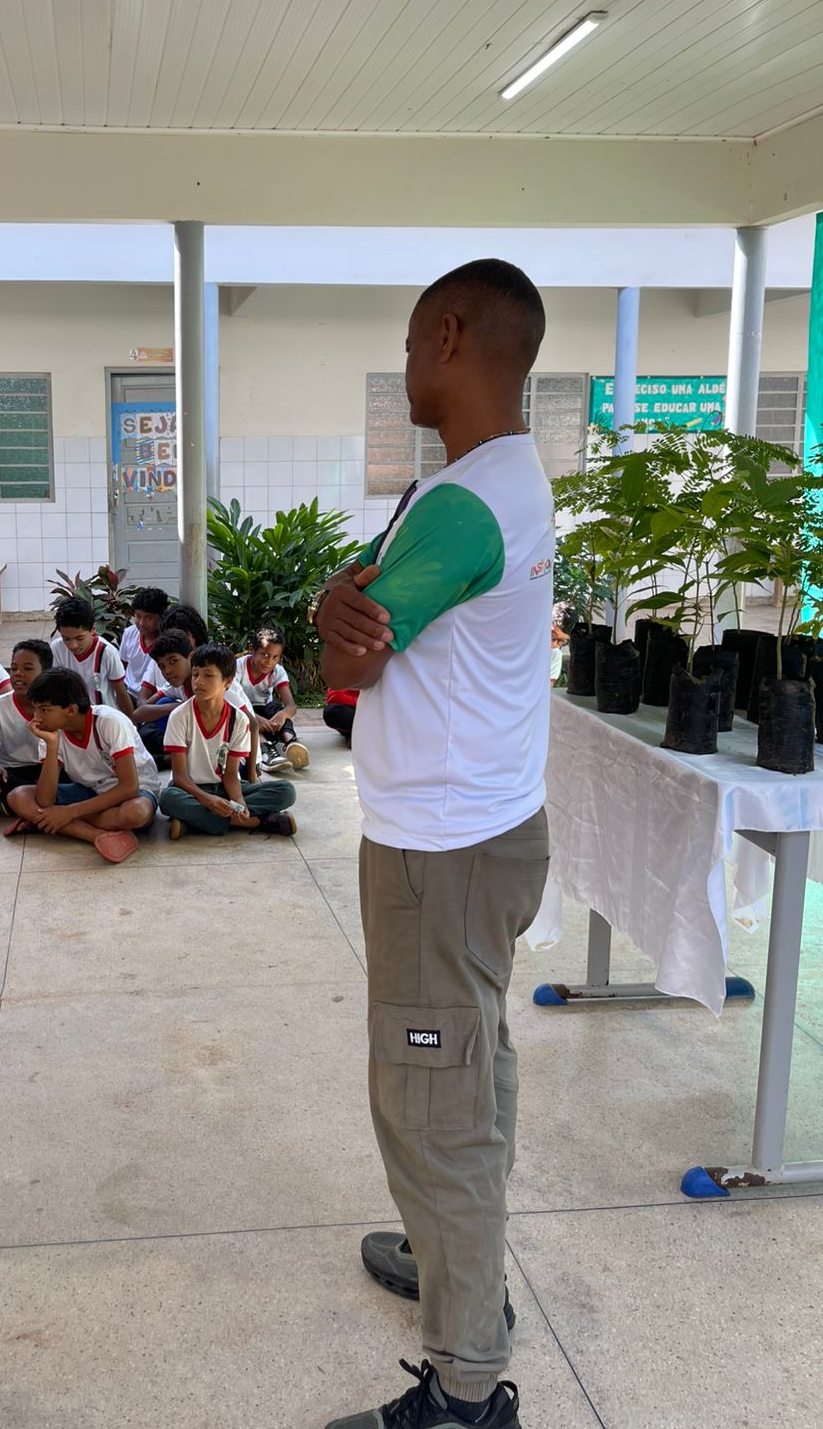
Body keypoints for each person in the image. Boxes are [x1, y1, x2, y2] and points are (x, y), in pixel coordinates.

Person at [316, 260, 553, 1429]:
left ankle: (466, 1388)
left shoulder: (462, 502)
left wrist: (330, 615)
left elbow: (347, 659)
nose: (407, 364)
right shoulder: (498, 480)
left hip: (441, 850)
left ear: (450, 336)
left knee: (430, 1104)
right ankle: (455, 1256)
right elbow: (361, 606)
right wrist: (338, 600)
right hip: (488, 828)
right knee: (470, 1064)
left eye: (412, 342)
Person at [3, 667, 158, 864]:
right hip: (91, 791)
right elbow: (45, 799)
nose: (37, 718)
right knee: (17, 796)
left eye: (44, 710)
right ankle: (95, 835)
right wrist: (52, 746)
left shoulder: (109, 722)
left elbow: (129, 787)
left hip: (134, 792)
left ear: (71, 710)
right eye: (35, 709)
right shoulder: (51, 733)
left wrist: (70, 812)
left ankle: (45, 822)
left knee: (135, 813)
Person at [158, 645, 297, 839]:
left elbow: (231, 776)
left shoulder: (238, 719)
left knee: (286, 791)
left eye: (208, 675)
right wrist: (208, 800)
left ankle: (196, 823)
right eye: (195, 674)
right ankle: (258, 821)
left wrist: (240, 803)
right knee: (167, 799)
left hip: (224, 787)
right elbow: (180, 777)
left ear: (228, 682)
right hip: (190, 789)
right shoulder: (180, 716)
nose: (199, 681)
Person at [132, 628, 259, 780]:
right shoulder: (177, 684)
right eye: (162, 666)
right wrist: (184, 706)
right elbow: (139, 713)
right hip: (205, 750)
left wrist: (251, 775)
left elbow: (252, 724)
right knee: (163, 706)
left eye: (173, 661)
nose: (168, 670)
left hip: (234, 757)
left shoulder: (220, 686)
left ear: (190, 657)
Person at [0, 638, 54, 819]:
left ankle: (25, 808)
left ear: (45, 672)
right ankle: (46, 805)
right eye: (13, 668)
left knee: (79, 781)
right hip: (15, 771)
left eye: (27, 669)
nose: (18, 674)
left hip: (52, 768)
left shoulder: (58, 704)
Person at [236, 625, 309, 772]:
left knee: (275, 708)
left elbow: (291, 707)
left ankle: (291, 743)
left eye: (275, 657)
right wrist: (253, 718)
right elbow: (232, 702)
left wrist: (282, 715)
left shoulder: (277, 672)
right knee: (240, 718)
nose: (269, 662)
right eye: (264, 655)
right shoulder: (237, 667)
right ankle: (265, 750)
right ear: (252, 650)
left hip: (266, 720)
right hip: (243, 713)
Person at [50, 597, 133, 715]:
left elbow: (121, 694)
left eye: (80, 638)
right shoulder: (57, 647)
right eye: (66, 639)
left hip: (103, 717)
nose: (73, 645)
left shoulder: (107, 653)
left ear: (93, 629)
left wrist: (130, 723)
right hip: (72, 716)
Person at [119, 586, 170, 698]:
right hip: (128, 693)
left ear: (161, 617)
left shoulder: (167, 641)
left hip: (154, 697)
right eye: (138, 616)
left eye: (148, 618)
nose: (141, 623)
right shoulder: (129, 633)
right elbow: (121, 666)